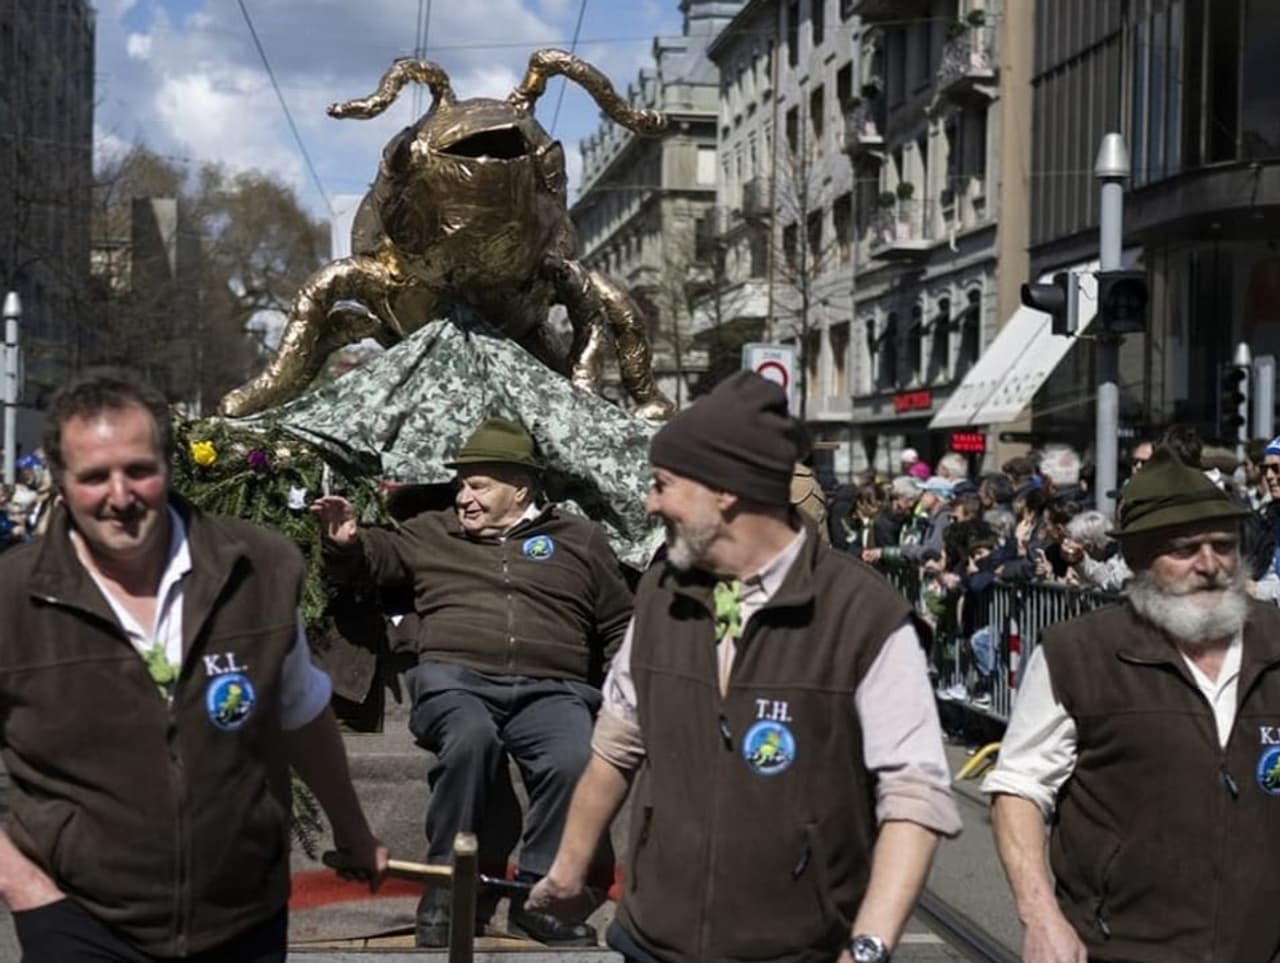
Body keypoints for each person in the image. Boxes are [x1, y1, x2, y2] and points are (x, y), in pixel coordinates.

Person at [526, 371, 961, 963]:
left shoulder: (866, 617)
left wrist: (868, 947)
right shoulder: (660, 592)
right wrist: (569, 868)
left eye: (663, 485)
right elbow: (616, 745)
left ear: (723, 491)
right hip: (654, 939)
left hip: (795, 949)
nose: (651, 503)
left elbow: (916, 796)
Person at [0, 371, 387, 962]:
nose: (120, 495)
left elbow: (302, 712)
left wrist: (353, 830)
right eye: (94, 477)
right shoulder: (12, 598)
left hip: (241, 915)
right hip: (81, 921)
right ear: (61, 481)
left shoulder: (258, 568)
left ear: (168, 465)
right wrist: (23, 885)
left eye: (139, 470)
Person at [313, 416, 632, 948]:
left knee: (575, 757)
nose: (463, 496)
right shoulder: (432, 532)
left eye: (477, 484)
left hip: (553, 688)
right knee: (470, 741)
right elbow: (376, 559)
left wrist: (627, 688)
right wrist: (346, 544)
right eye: (460, 484)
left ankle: (537, 901)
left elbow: (620, 621)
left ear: (520, 489)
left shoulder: (578, 539)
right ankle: (444, 894)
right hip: (456, 680)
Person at [982, 446, 1280, 962]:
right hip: (1121, 947)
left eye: (1222, 546)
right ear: (1139, 558)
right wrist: (1041, 916)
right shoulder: (1079, 653)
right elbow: (1019, 787)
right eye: (1185, 549)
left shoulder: (1274, 644)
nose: (1209, 565)